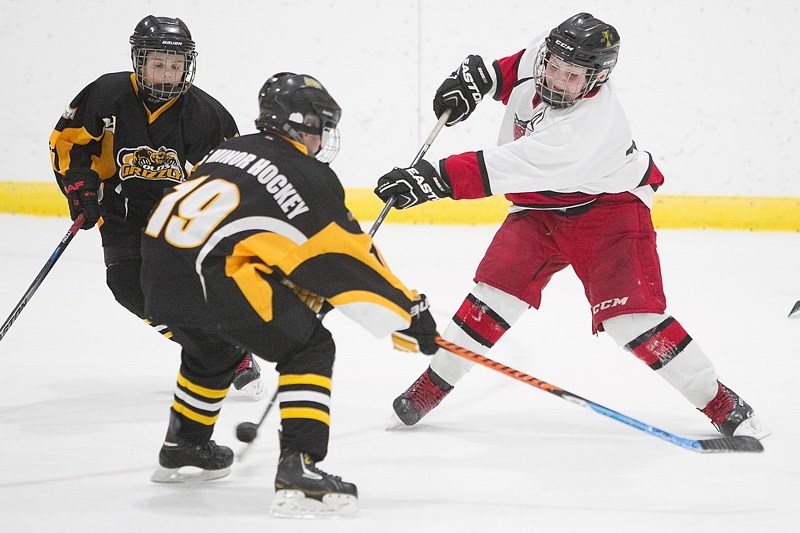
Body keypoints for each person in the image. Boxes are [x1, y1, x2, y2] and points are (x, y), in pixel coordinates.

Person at [375, 12, 770, 440]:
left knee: (630, 321)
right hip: (540, 208)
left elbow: (500, 168)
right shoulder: (550, 51)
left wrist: (432, 179)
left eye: (571, 77)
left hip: (608, 209)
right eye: (555, 67)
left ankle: (719, 401)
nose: (556, 79)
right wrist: (479, 82)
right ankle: (432, 385)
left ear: (595, 80)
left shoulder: (586, 129)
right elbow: (515, 69)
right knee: (491, 297)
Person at [139, 72, 438, 517]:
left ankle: (185, 445)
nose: (323, 138)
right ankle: (299, 467)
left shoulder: (230, 148)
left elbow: (249, 230)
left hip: (160, 273)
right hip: (214, 277)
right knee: (309, 348)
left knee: (211, 347)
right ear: (303, 125)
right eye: (321, 126)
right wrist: (407, 315)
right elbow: (342, 258)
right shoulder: (305, 173)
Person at [49, 15, 265, 399]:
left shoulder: (204, 114)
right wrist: (79, 183)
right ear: (140, 61)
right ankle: (220, 351)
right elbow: (69, 142)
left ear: (188, 67)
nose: (168, 75)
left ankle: (225, 350)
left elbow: (231, 173)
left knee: (181, 289)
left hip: (175, 217)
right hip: (120, 210)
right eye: (159, 64)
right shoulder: (107, 93)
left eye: (176, 66)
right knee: (126, 285)